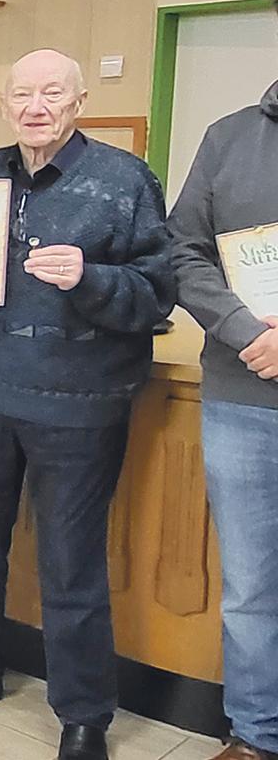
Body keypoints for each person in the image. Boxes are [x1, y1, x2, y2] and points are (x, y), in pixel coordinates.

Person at [0, 51, 173, 760]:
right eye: (22, 93)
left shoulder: (125, 180)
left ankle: (83, 712)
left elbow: (158, 293)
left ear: (79, 102)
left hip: (81, 402)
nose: (35, 106)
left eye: (52, 92)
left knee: (69, 561)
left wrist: (90, 277)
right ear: (5, 104)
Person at [169, 52, 278, 760]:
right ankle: (256, 735)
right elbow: (182, 252)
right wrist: (247, 331)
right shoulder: (229, 137)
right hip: (244, 399)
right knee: (250, 588)